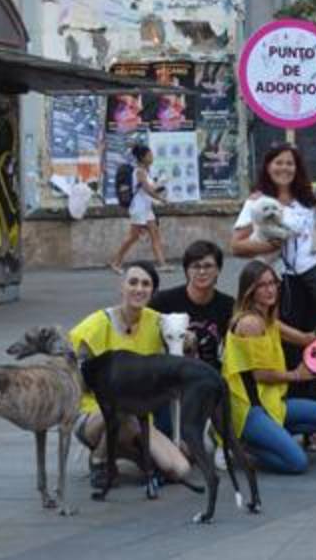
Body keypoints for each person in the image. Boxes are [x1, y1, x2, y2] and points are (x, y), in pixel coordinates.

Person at [70, 262, 192, 488]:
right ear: (121, 286)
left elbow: (180, 342)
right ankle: (99, 458)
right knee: (122, 402)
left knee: (180, 470)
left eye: (146, 284)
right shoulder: (97, 324)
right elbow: (73, 374)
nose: (139, 289)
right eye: (133, 282)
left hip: (140, 417)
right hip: (95, 414)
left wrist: (188, 341)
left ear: (152, 291)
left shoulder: (158, 322)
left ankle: (127, 454)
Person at [223, 260, 316, 473]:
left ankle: (271, 436)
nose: (270, 290)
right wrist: (297, 375)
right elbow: (260, 375)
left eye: (273, 283)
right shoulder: (250, 323)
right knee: (297, 463)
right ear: (250, 290)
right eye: (262, 285)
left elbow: (306, 338)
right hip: (250, 409)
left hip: (272, 403)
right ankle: (243, 445)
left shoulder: (268, 319)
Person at [231, 144, 316, 334]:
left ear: (297, 168)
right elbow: (236, 246)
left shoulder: (310, 196)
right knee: (293, 344)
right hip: (283, 285)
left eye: (290, 163)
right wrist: (269, 246)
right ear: (268, 167)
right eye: (278, 163)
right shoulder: (258, 202)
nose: (284, 168)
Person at [148, 240, 233, 371]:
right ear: (187, 271)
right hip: (169, 376)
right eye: (195, 266)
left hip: (210, 377)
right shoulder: (162, 302)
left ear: (218, 270)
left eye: (208, 266)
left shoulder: (228, 305)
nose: (202, 271)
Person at [110, 144, 169, 272]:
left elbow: (150, 188)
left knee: (155, 235)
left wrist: (160, 184)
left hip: (146, 209)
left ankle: (162, 264)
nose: (152, 157)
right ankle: (116, 263)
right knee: (133, 237)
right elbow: (148, 190)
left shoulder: (147, 171)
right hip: (138, 209)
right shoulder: (140, 171)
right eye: (149, 155)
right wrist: (161, 198)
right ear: (142, 158)